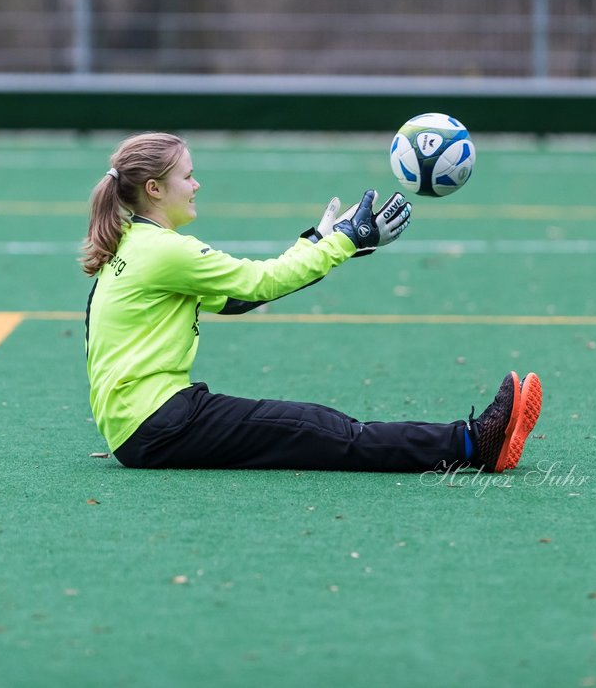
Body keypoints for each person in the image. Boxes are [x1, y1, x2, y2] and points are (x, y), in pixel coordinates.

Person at [80, 131, 542, 472]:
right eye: (187, 176)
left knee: (316, 426)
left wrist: (320, 241)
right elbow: (258, 283)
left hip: (145, 422)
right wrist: (343, 241)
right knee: (320, 430)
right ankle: (474, 444)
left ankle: (469, 441)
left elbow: (237, 301)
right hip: (157, 424)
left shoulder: (133, 243)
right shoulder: (164, 251)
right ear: (155, 189)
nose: (196, 184)